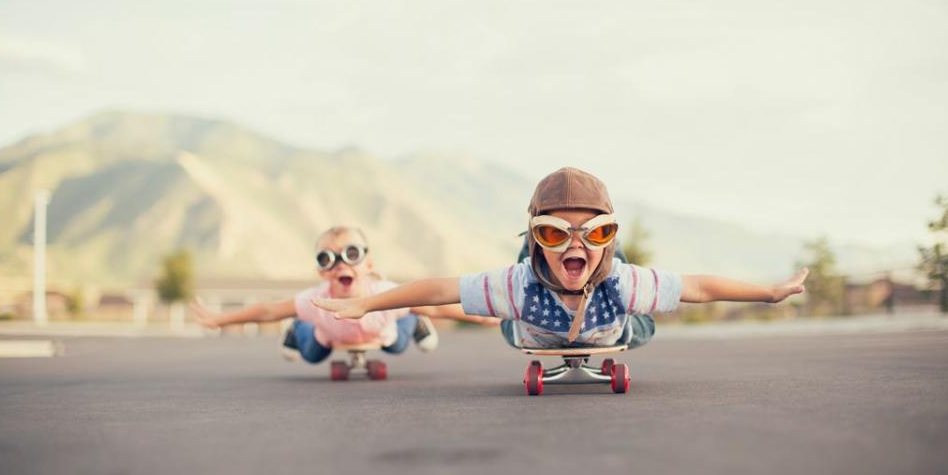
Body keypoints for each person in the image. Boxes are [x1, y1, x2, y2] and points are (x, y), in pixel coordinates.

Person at [312, 168, 809, 350]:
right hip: (529, 323)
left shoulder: (625, 285)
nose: (575, 243)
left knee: (638, 316)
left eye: (595, 232)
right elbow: (438, 289)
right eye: (553, 231)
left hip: (612, 324)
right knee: (515, 300)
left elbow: (699, 287)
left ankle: (597, 250)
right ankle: (542, 250)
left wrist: (768, 292)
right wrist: (366, 305)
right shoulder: (515, 286)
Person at [190, 225, 495, 363]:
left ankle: (411, 323)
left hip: (382, 332)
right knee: (311, 354)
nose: (339, 265)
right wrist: (221, 319)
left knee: (399, 342)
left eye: (351, 254)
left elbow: (437, 307)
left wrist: (482, 316)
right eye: (327, 258)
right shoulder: (316, 301)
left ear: (368, 264)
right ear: (321, 271)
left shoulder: (385, 294)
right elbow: (269, 311)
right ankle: (297, 331)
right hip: (329, 336)